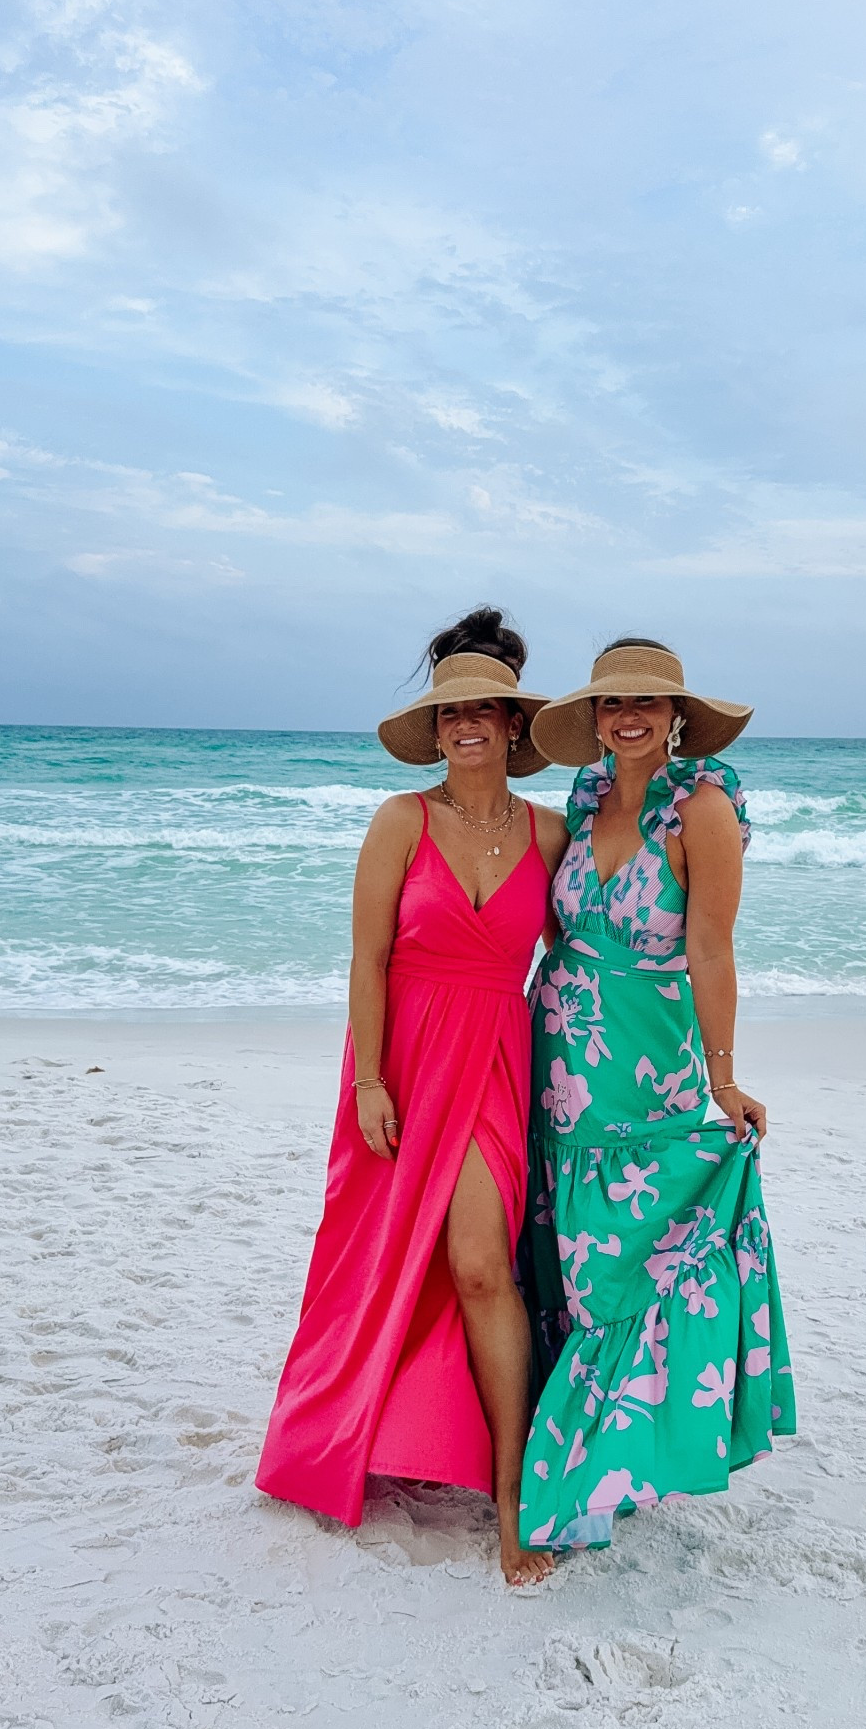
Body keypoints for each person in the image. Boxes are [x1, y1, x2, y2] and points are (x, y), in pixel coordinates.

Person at [255, 609, 568, 1584]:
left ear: (514, 723)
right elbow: (370, 955)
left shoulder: (552, 832)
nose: (466, 725)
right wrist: (369, 1079)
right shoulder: (401, 821)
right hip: (408, 1061)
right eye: (449, 713)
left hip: (502, 1058)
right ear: (434, 729)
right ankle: (375, 1434)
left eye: (483, 709)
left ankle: (518, 1497)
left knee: (482, 1264)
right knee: (385, 1262)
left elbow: (599, 957)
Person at [516, 639, 796, 1550]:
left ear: (676, 716)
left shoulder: (702, 809)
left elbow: (711, 949)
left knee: (627, 1260)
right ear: (593, 720)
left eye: (645, 701)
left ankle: (608, 1455)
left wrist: (722, 1078)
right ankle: (572, 1433)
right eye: (609, 704)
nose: (625, 716)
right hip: (558, 1060)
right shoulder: (587, 796)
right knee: (566, 1254)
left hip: (645, 1071)